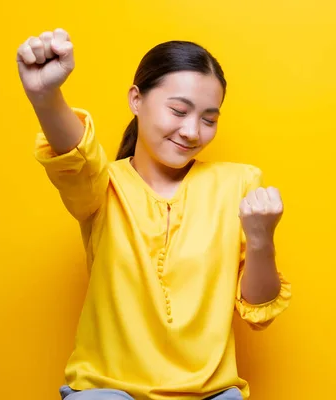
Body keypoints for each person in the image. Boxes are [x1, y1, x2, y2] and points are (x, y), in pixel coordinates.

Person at [16, 28, 292, 400]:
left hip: (210, 391)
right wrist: (46, 95)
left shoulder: (238, 183)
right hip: (108, 390)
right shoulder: (103, 186)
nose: (192, 131)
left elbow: (259, 311)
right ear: (136, 99)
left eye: (209, 119)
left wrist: (261, 239)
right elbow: (76, 158)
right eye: (178, 110)